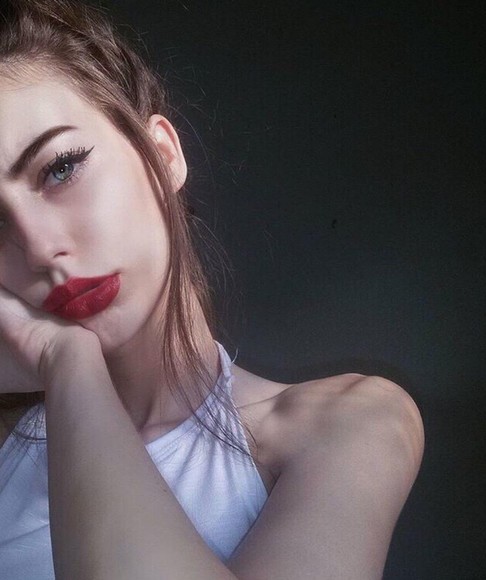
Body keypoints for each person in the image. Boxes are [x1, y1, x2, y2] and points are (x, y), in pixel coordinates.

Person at [0, 0, 424, 578]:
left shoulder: (347, 422)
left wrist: (67, 359)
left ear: (163, 156)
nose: (38, 247)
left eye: (60, 168)